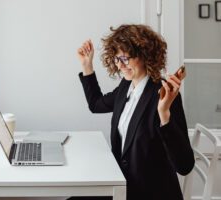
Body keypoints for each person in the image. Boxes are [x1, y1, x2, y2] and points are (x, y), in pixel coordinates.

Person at [72, 24, 195, 200]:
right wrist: (87, 66)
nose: (120, 65)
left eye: (125, 58)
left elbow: (184, 165)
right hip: (122, 185)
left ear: (144, 55)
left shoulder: (164, 94)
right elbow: (96, 104)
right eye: (116, 59)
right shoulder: (126, 86)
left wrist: (164, 114)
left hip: (150, 193)